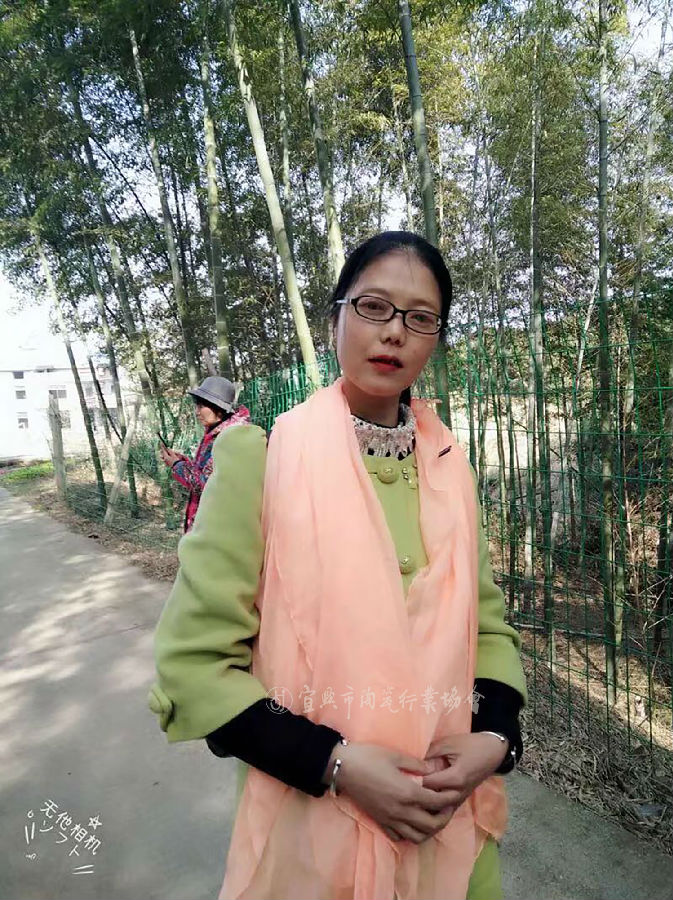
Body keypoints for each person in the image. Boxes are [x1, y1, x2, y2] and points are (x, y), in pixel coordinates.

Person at [148, 232, 527, 900]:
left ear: (436, 340)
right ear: (335, 320)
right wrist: (336, 763)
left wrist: (496, 736)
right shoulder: (262, 459)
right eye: (373, 307)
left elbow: (486, 627)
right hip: (312, 835)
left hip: (450, 831)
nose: (394, 332)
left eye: (420, 318)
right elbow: (195, 668)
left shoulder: (447, 466)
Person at [159, 376, 250, 532]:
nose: (197, 412)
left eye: (201, 406)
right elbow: (207, 473)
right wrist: (183, 462)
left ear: (218, 408)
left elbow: (207, 485)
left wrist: (176, 465)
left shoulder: (229, 438)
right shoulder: (219, 432)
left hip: (220, 527)